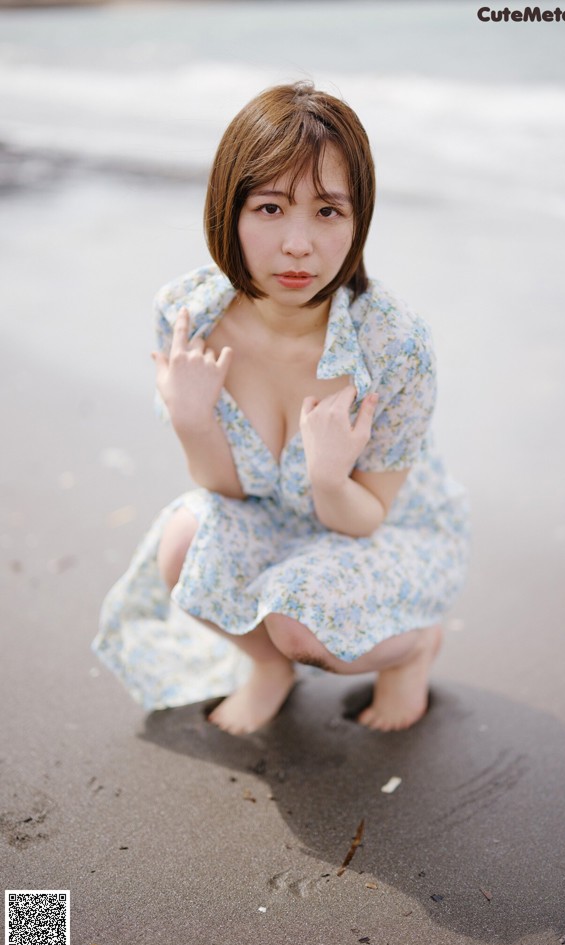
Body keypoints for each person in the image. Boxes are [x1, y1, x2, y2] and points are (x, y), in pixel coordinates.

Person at [92, 81, 469, 735]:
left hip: (379, 530)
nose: (299, 244)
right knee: (183, 542)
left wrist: (328, 475)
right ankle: (267, 667)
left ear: (359, 220)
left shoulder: (395, 344)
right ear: (228, 210)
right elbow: (225, 490)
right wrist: (191, 419)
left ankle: (413, 647)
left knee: (298, 620)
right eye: (270, 209)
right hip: (273, 521)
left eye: (328, 212)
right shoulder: (189, 318)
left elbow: (368, 516)